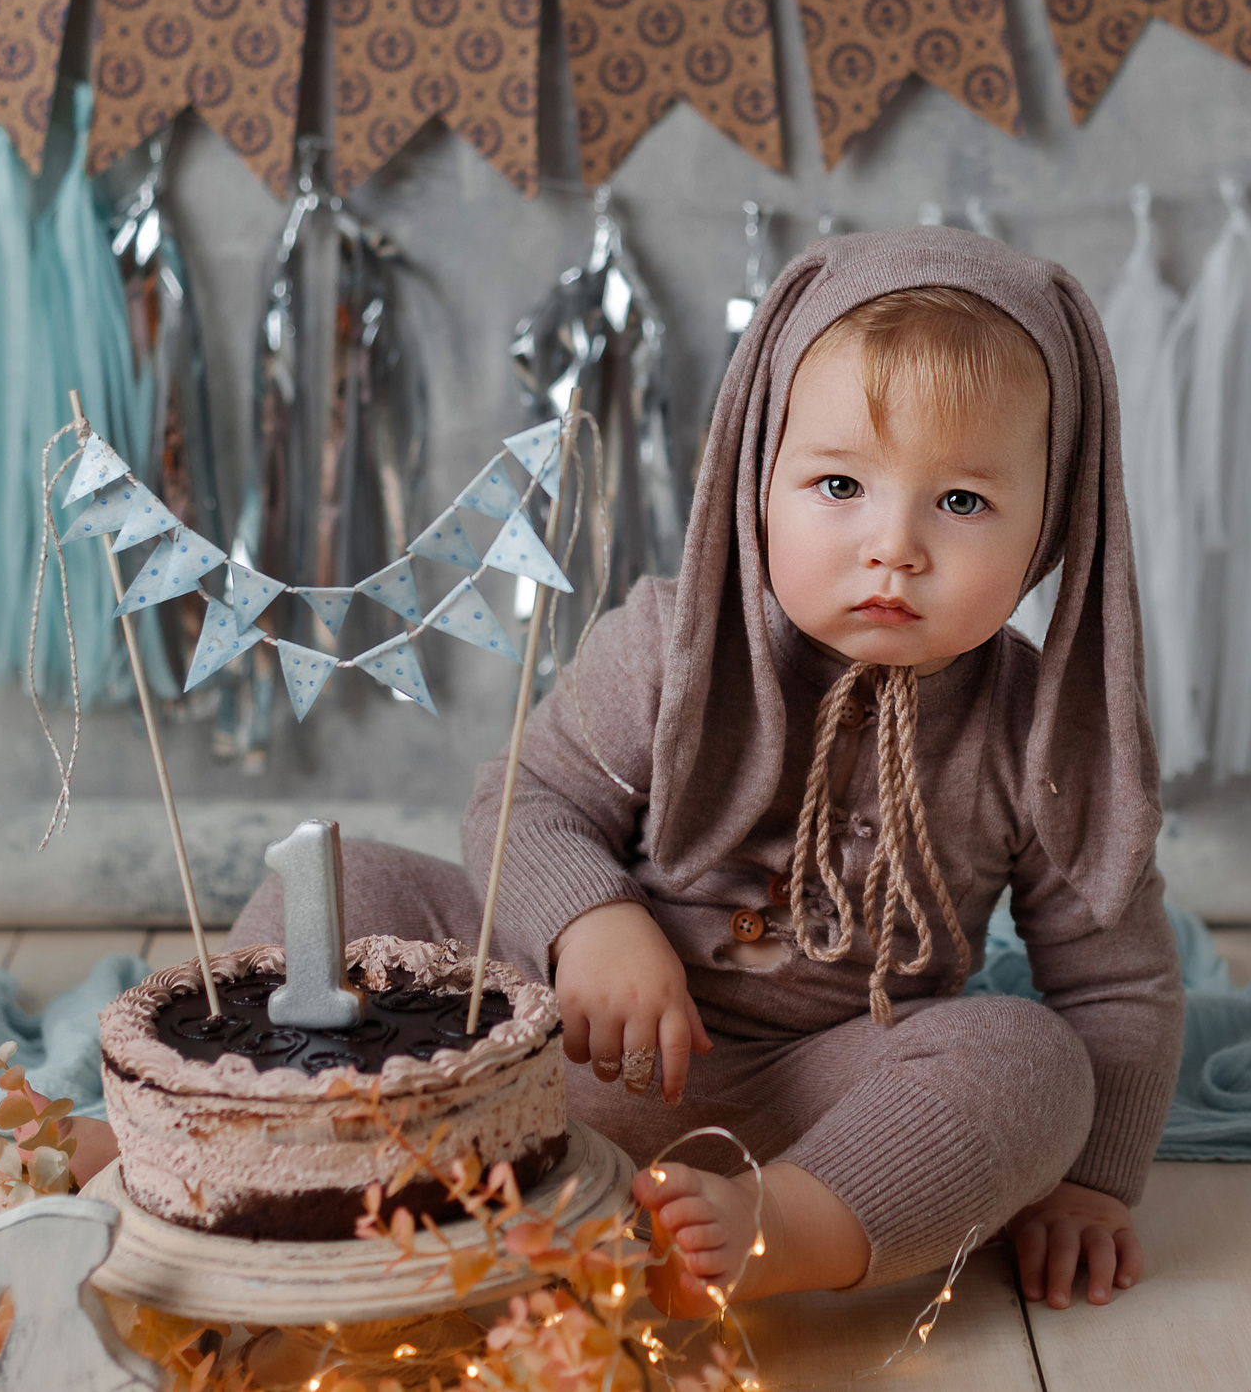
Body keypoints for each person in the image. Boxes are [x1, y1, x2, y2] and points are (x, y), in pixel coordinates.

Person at [225, 225, 1183, 1314]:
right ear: (756, 477)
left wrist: (1096, 1185)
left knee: (1031, 1058)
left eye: (960, 502)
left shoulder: (1040, 727)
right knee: (344, 886)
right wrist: (592, 920)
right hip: (539, 1032)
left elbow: (1115, 979)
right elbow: (522, 801)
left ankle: (783, 1229)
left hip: (806, 1093)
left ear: (1051, 530)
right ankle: (236, 1134)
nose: (894, 546)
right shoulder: (671, 645)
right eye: (837, 484)